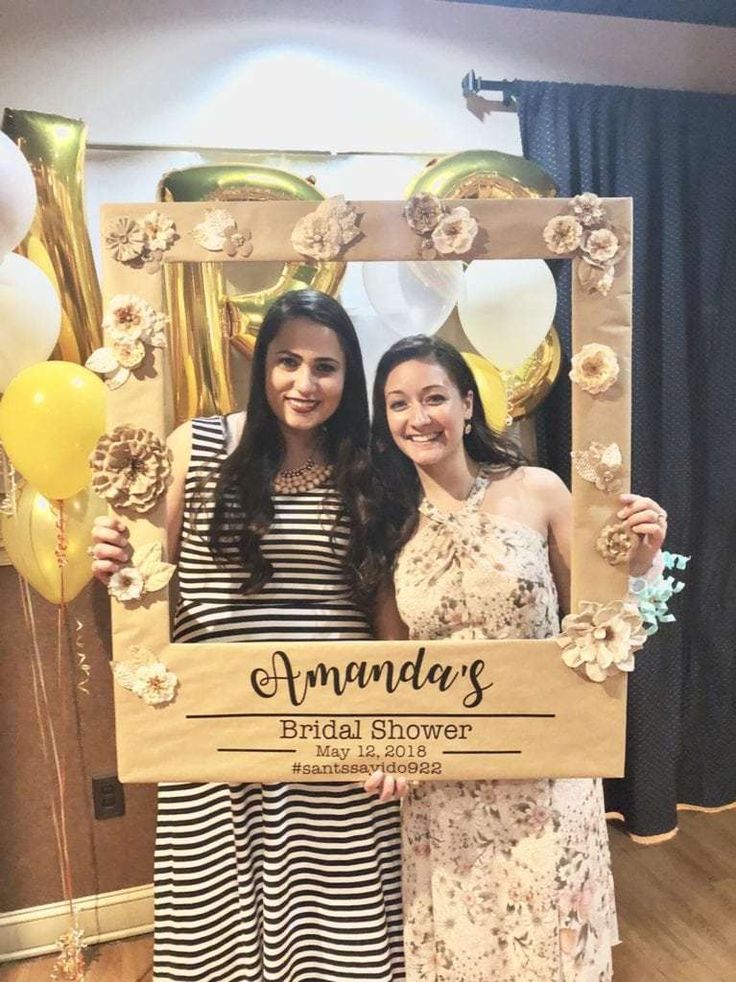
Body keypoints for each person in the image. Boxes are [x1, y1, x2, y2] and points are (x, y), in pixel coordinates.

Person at [91, 290, 405, 982]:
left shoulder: (369, 465)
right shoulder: (197, 445)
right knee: (219, 932)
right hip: (220, 723)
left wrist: (396, 724)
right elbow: (149, 574)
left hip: (337, 729)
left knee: (341, 935)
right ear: (261, 362)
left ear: (348, 377)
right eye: (287, 360)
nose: (304, 383)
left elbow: (382, 607)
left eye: (326, 367)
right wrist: (117, 558)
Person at [366, 334, 668, 982]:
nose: (418, 417)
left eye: (434, 397)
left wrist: (639, 564)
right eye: (398, 404)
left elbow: (605, 623)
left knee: (549, 952)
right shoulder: (388, 521)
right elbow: (393, 664)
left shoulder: (539, 489)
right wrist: (390, 749)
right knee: (467, 952)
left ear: (467, 406)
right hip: (445, 789)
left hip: (546, 778)